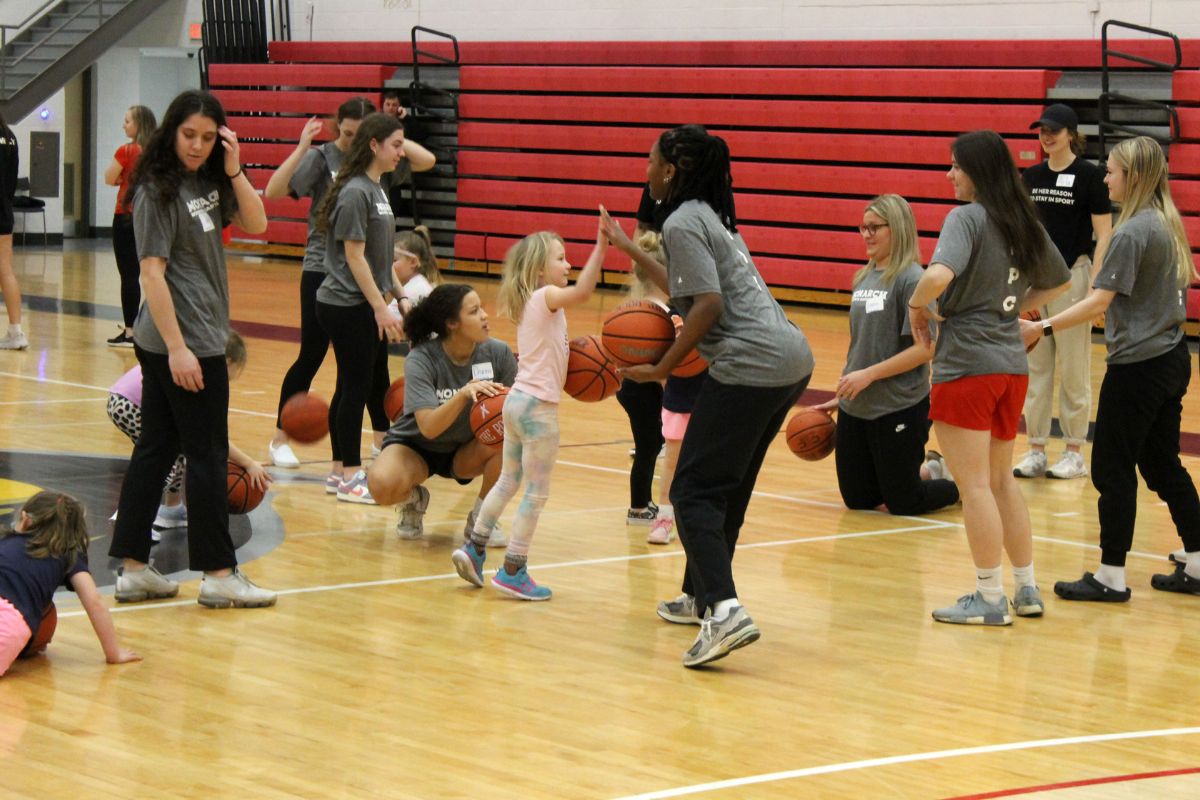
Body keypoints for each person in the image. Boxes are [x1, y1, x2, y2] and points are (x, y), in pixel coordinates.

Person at [602, 125, 814, 668]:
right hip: (790, 358)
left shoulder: (680, 219)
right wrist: (628, 247)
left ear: (671, 169)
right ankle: (700, 595)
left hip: (750, 361)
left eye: (650, 161)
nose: (646, 170)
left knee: (693, 489)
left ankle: (724, 610)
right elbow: (684, 285)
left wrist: (662, 369)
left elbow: (708, 306)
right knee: (728, 487)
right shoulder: (710, 218)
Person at [107, 89, 275, 609]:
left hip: (189, 336)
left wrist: (235, 168)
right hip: (183, 342)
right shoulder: (156, 189)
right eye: (189, 135)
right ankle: (220, 573)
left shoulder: (207, 179)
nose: (198, 145)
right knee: (207, 454)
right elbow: (151, 273)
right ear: (170, 132)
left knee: (155, 450)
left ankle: (134, 568)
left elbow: (257, 225)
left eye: (208, 137)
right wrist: (178, 349)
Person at [1020, 136, 1200, 601]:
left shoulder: (1132, 230)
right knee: (1161, 464)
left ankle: (1110, 576)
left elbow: (1098, 300)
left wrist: (1046, 327)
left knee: (1112, 469)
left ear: (1134, 177)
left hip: (1139, 366)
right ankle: (1198, 562)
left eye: (1113, 171)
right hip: (1173, 358)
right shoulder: (1167, 221)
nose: (1105, 178)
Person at [908, 130, 1070, 627]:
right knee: (1002, 482)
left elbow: (937, 277)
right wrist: (1009, 311)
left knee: (974, 486)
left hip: (967, 366)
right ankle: (1025, 587)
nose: (949, 174)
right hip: (1011, 367)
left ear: (976, 171)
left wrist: (917, 304)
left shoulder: (967, 217)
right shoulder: (1021, 218)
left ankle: (988, 597)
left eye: (955, 166)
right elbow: (1060, 280)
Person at [450, 221, 608, 600]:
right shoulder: (546, 297)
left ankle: (474, 547)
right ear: (540, 269)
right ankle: (513, 570)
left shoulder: (530, 303)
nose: (568, 264)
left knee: (507, 481)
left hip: (515, 402)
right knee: (535, 494)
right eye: (561, 258)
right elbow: (585, 291)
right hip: (537, 411)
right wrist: (602, 245)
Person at [813, 195, 960, 515]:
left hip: (899, 404)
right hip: (859, 404)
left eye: (874, 227)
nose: (866, 234)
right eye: (863, 227)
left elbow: (926, 348)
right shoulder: (863, 277)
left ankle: (955, 481)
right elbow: (863, 344)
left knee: (904, 502)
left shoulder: (912, 280)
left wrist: (869, 375)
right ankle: (922, 471)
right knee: (858, 499)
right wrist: (845, 392)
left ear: (897, 229)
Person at [264, 98, 375, 469]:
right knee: (312, 353)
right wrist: (300, 150)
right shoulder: (322, 158)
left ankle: (348, 458)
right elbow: (274, 191)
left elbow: (425, 160)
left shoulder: (373, 162)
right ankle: (280, 438)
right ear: (336, 127)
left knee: (359, 365)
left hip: (360, 272)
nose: (354, 141)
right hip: (321, 267)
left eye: (363, 136)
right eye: (348, 133)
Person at [367, 283, 517, 546]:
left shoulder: (498, 353)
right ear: (452, 323)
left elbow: (518, 412)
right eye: (474, 311)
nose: (484, 315)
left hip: (465, 450)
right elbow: (428, 428)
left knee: (510, 437)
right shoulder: (422, 358)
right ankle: (413, 499)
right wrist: (462, 394)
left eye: (481, 307)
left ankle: (483, 518)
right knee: (380, 485)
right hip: (416, 446)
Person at [1013, 104, 1113, 480]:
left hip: (1074, 276)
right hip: (1036, 280)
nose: (1046, 135)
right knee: (1035, 367)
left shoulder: (1090, 177)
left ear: (1071, 133)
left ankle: (1074, 451)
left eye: (1053, 130)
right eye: (1042, 130)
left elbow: (1104, 234)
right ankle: (1036, 448)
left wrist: (1097, 281)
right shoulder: (1031, 176)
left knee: (1074, 367)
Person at [313, 112, 408, 504]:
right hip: (345, 302)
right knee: (355, 388)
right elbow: (354, 257)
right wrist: (379, 308)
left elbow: (380, 258)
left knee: (351, 386)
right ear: (374, 145)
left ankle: (339, 472)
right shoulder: (355, 191)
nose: (402, 152)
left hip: (363, 301)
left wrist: (399, 296)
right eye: (396, 145)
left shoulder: (377, 187)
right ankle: (352, 475)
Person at [107, 331, 272, 544]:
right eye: (234, 370)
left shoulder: (191, 361)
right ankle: (129, 517)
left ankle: (172, 509)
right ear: (227, 361)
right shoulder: (197, 375)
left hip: (123, 401)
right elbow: (213, 434)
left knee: (176, 453)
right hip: (130, 405)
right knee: (160, 462)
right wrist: (248, 463)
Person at [1, 492, 141, 675]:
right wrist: (113, 653)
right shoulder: (69, 554)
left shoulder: (5, 541)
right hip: (8, 624)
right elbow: (95, 602)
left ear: (25, 518)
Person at [615, 245, 667, 528]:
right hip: (643, 387)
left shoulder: (633, 307)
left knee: (651, 444)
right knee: (648, 447)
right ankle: (637, 508)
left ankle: (644, 502)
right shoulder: (658, 312)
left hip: (631, 386)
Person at [103, 104, 158, 348]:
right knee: (153, 274)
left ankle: (130, 331)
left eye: (127, 121)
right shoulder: (158, 151)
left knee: (129, 275)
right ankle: (153, 327)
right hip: (152, 217)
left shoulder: (126, 150)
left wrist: (123, 179)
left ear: (138, 124)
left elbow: (109, 178)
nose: (123, 125)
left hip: (126, 216)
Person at [0, 112, 26, 351]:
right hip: (4, 212)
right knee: (5, 271)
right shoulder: (10, 137)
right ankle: (16, 331)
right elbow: (11, 180)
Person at [388, 225, 441, 321]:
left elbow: (385, 326)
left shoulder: (411, 292)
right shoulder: (418, 283)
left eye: (394, 260)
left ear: (413, 262)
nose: (387, 266)